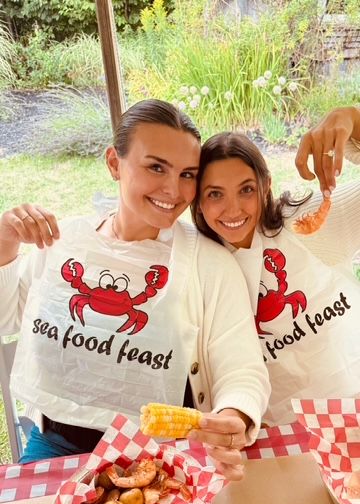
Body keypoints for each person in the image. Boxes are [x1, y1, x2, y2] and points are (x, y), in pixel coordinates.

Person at [0, 99, 270, 478]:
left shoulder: (208, 263)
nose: (173, 189)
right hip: (58, 445)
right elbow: (5, 318)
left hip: (165, 457)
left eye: (187, 174)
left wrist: (234, 413)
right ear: (114, 163)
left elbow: (242, 369)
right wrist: (5, 244)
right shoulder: (65, 243)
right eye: (156, 167)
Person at [191, 107, 360, 426]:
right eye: (215, 194)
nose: (233, 209)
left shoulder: (310, 223)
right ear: (197, 200)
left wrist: (353, 119)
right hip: (275, 433)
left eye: (246, 190)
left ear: (266, 185)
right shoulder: (195, 261)